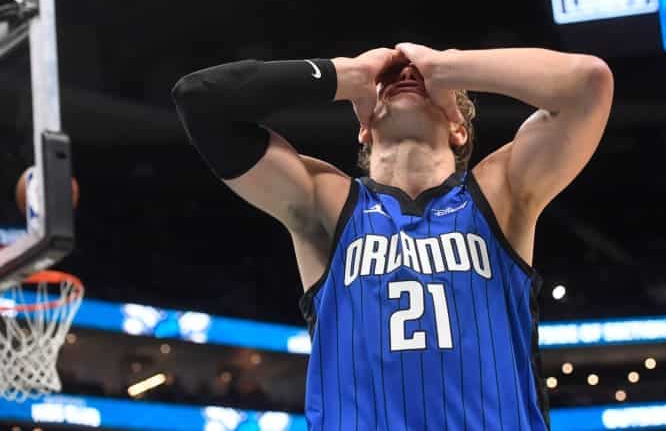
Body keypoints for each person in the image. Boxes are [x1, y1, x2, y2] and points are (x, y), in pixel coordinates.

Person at [172, 44, 613, 430]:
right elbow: (200, 99)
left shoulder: (500, 193)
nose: (407, 74)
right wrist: (346, 74)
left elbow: (589, 83)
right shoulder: (327, 200)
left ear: (459, 128)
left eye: (420, 77)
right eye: (390, 79)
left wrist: (449, 66)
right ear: (364, 127)